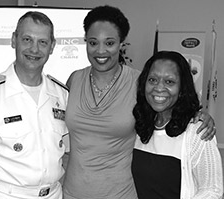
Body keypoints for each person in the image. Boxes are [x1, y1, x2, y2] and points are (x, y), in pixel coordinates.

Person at [63, 5, 216, 199]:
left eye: (109, 42)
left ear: (121, 43)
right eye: (93, 42)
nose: (100, 51)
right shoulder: (74, 80)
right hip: (72, 193)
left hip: (120, 194)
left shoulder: (139, 83)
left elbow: (169, 105)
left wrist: (201, 116)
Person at [0, 11, 69, 199]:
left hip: (54, 194)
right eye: (27, 39)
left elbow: (67, 152)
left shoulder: (62, 94)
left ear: (52, 46)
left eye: (42, 42)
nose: (34, 49)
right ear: (14, 40)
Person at [132, 51, 223, 198]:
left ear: (182, 89)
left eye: (169, 82)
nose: (159, 88)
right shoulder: (139, 125)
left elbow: (212, 190)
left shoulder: (197, 131)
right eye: (152, 80)